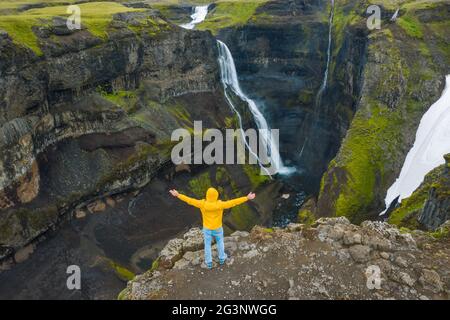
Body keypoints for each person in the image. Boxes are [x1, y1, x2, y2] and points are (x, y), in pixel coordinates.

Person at [169, 187, 256, 269]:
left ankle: (209, 262)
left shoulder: (202, 204)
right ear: (216, 196)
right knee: (220, 242)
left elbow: (189, 200)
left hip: (207, 229)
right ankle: (222, 258)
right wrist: (247, 198)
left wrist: (178, 195)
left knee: (207, 245)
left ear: (207, 196)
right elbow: (234, 202)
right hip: (217, 228)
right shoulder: (220, 204)